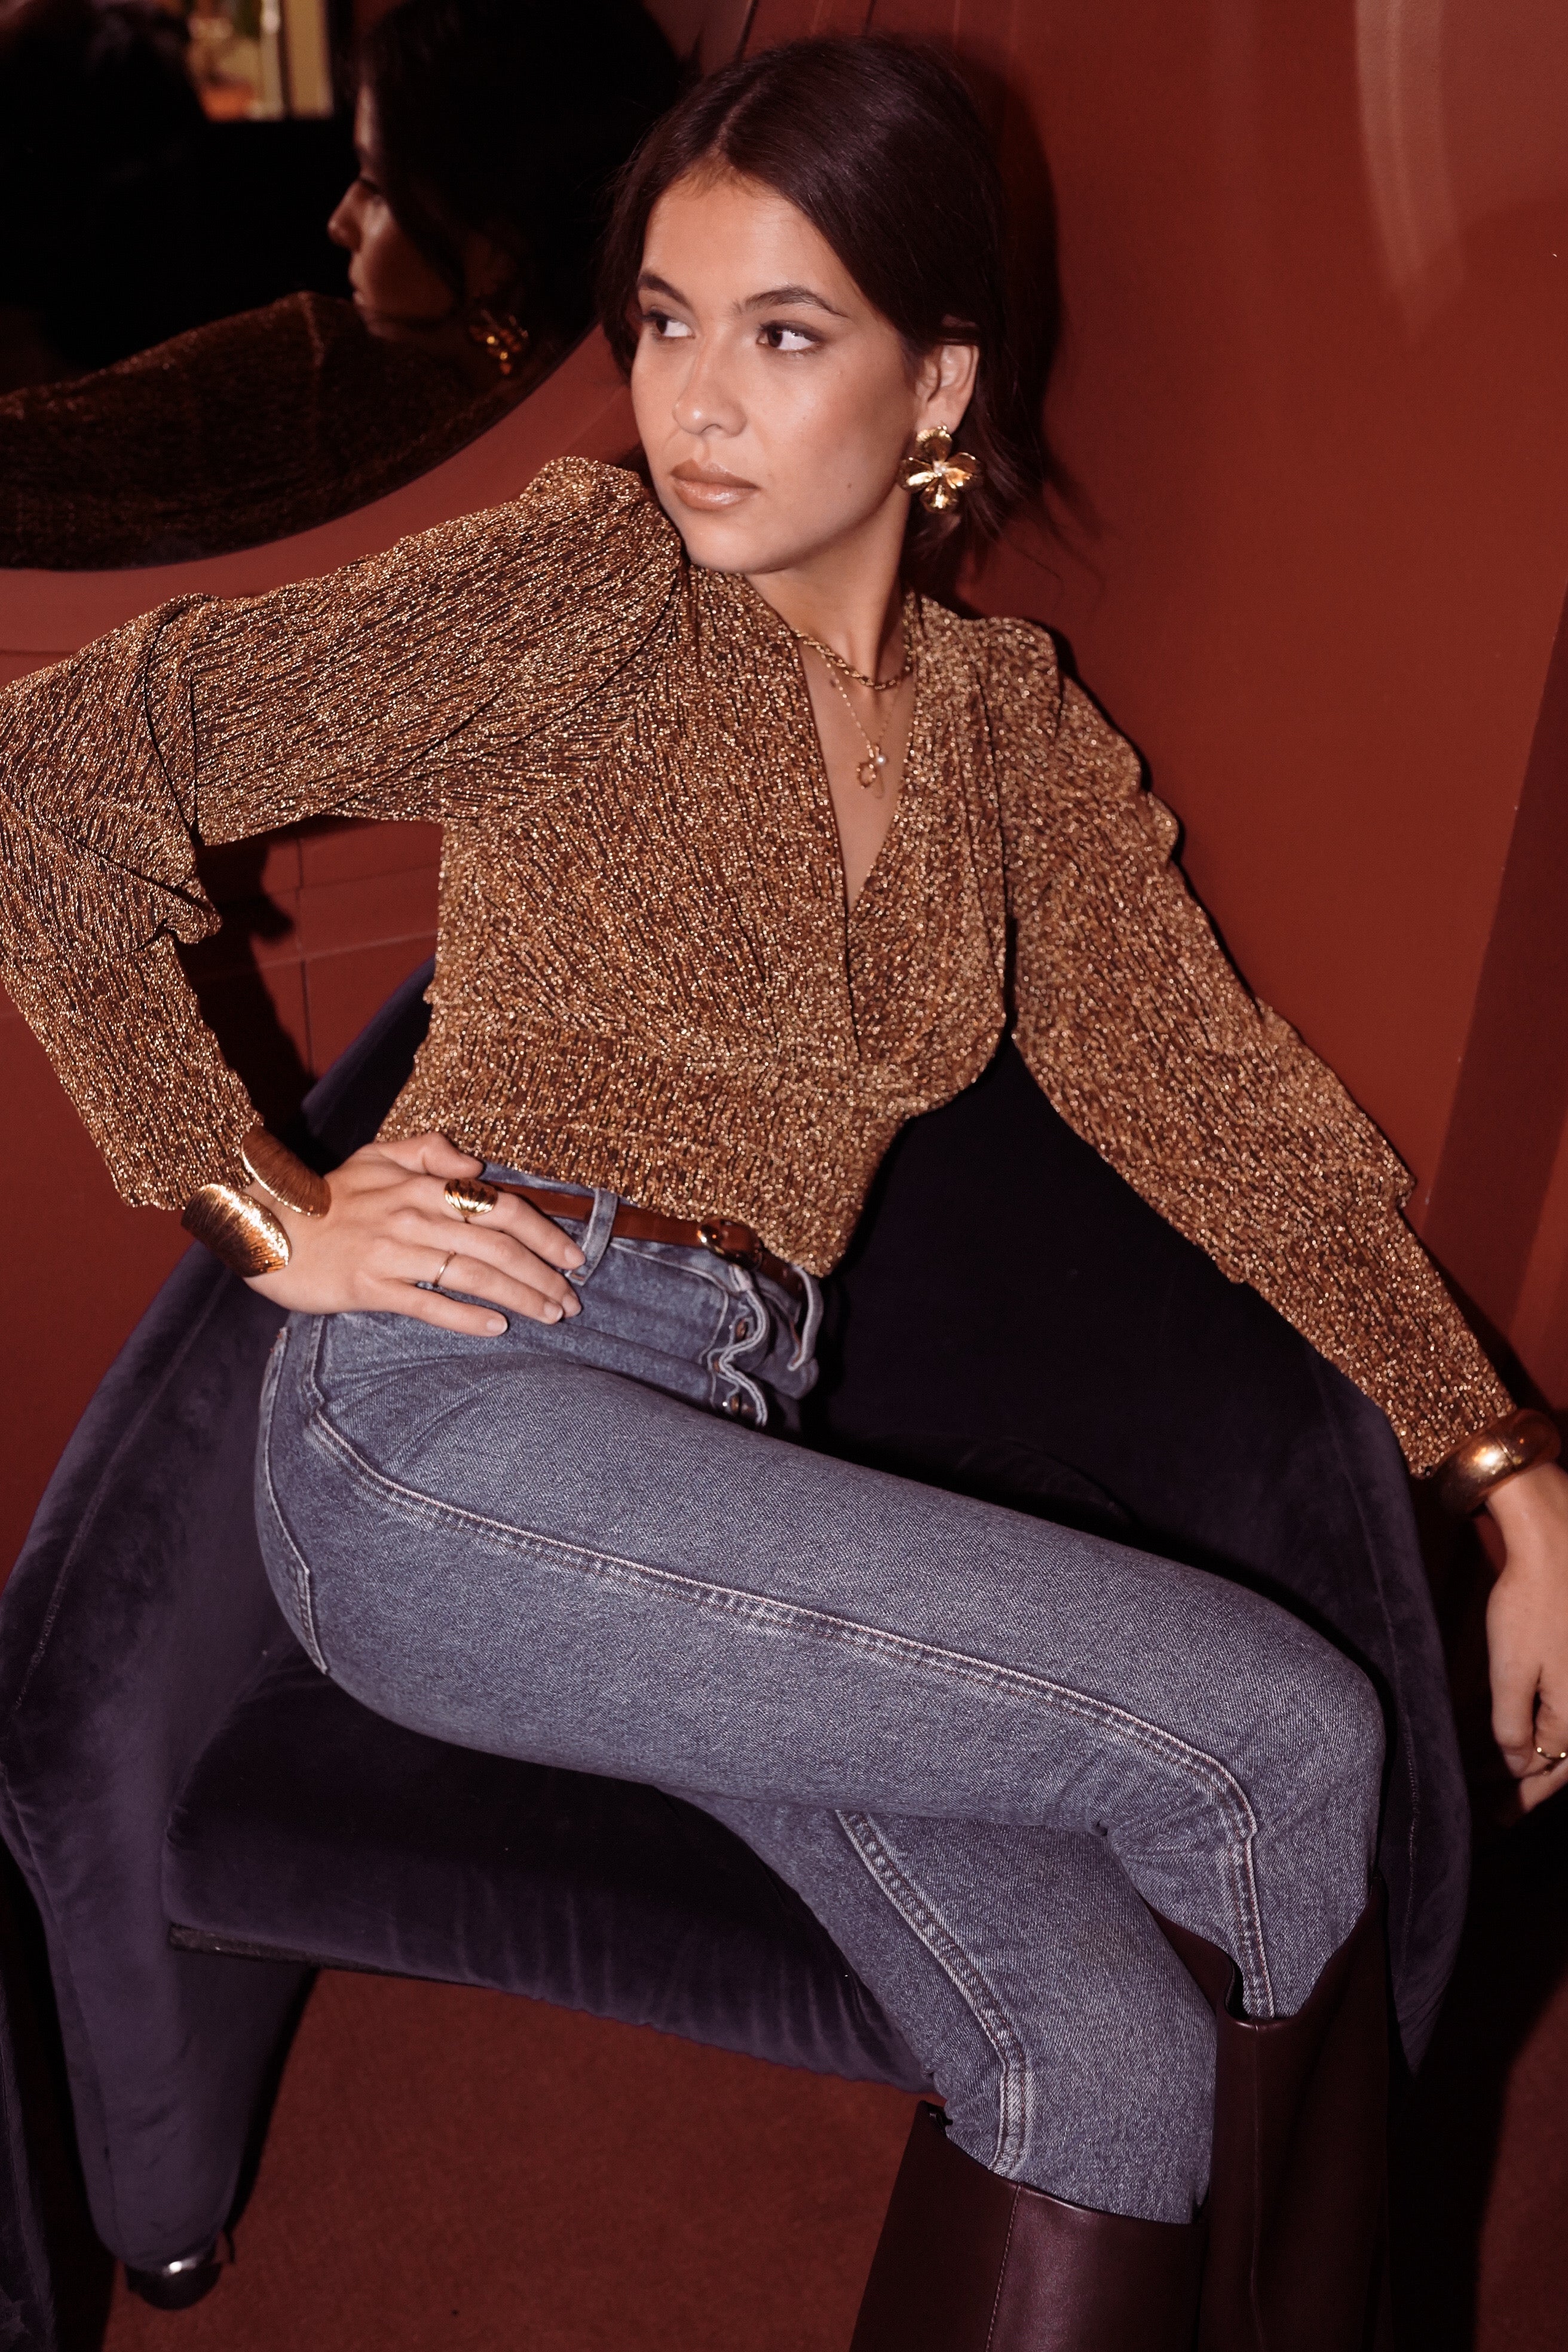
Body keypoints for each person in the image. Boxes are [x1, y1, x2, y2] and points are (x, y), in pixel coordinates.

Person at [3, 34, 1566, 2348]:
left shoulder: (1007, 731)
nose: (696, 401)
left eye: (782, 331)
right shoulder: (581, 591)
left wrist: (1497, 1461)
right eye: (662, 321)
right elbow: (50, 771)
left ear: (936, 381)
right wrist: (267, 1205)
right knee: (1288, 1733)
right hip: (461, 1428)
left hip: (728, 1445)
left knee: (1105, 2070)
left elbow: (1213, 1104)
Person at [0, 0, 679, 565]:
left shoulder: (321, 366)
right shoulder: (618, 430)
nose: (339, 223)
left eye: (375, 187)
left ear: (495, 252)